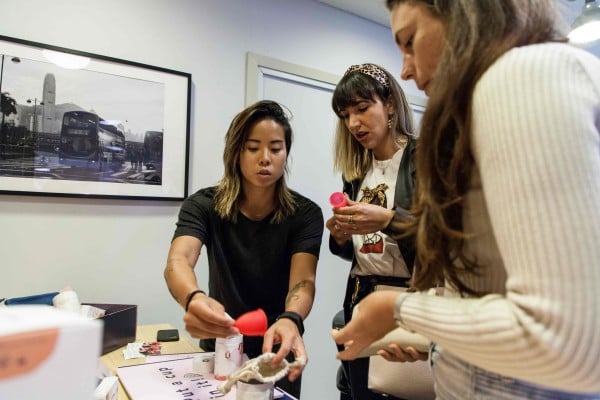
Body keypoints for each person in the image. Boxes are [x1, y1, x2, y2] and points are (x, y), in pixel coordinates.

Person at [332, 1, 600, 399]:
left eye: (409, 41)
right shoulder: (496, 101)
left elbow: (570, 341)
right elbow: (492, 293)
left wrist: (400, 309)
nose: (405, 69)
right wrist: (433, 335)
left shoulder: (523, 77)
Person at [164, 100, 324, 398]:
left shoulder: (306, 214)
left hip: (277, 347)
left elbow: (304, 281)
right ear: (236, 152)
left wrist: (292, 318)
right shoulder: (204, 205)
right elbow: (179, 259)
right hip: (221, 344)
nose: (265, 158)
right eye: (253, 148)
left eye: (276, 149)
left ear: (286, 153)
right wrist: (192, 298)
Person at [326, 63, 417, 400]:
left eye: (362, 109)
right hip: (360, 296)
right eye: (345, 115)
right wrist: (340, 236)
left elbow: (440, 237)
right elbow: (361, 249)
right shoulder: (357, 170)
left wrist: (387, 219)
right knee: (362, 392)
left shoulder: (422, 159)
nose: (353, 123)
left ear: (390, 103)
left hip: (408, 299)